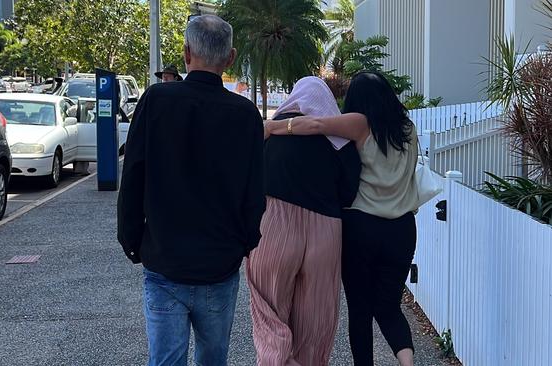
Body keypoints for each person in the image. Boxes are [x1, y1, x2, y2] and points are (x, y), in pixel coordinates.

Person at [117, 15, 265, 366]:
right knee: (214, 359)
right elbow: (254, 190)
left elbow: (133, 175)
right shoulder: (245, 114)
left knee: (165, 360)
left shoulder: (155, 101)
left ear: (186, 53)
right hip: (220, 263)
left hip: (164, 261)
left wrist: (132, 240)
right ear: (229, 58)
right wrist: (245, 243)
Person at [264, 71, 419, 366]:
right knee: (389, 308)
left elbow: (315, 124)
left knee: (360, 310)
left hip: (362, 227)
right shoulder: (408, 129)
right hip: (402, 230)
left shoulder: (361, 123)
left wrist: (273, 126)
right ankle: (408, 362)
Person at [247, 76, 361, 365]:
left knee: (268, 310)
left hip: (274, 225)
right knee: (315, 325)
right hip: (325, 231)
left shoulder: (269, 135)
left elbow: (249, 185)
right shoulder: (340, 141)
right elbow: (349, 192)